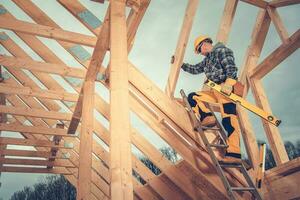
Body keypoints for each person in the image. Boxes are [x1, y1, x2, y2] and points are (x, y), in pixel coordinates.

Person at [181, 35, 241, 163]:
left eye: (199, 50)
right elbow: (195, 69)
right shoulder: (207, 60)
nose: (200, 54)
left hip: (226, 89)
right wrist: (182, 65)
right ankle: (207, 117)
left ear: (204, 44)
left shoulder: (222, 51)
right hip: (215, 91)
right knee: (193, 97)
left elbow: (231, 67)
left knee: (229, 121)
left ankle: (234, 155)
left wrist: (229, 83)